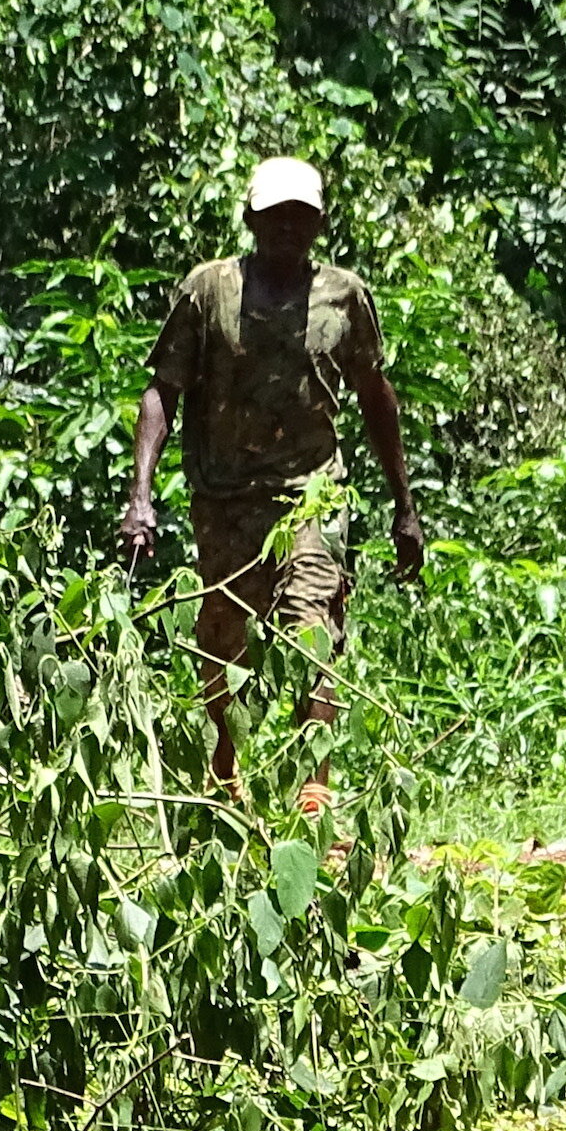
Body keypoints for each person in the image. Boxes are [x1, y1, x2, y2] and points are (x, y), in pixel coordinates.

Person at [120, 157, 425, 787]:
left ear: (318, 224)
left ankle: (314, 796)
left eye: (302, 217)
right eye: (276, 216)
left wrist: (404, 503)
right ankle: (224, 788)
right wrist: (140, 498)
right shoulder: (209, 291)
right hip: (225, 502)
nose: (288, 228)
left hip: (312, 497)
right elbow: (162, 392)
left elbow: (375, 396)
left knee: (312, 633)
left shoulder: (343, 297)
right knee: (223, 646)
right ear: (251, 219)